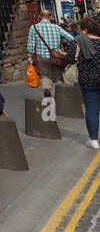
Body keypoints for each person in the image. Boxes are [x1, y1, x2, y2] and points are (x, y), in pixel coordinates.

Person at [63, 18, 100, 149]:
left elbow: (70, 58)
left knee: (92, 109)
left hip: (88, 80)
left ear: (85, 30)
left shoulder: (78, 41)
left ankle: (94, 140)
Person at [28, 11, 75, 91]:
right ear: (50, 17)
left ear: (40, 16)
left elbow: (31, 43)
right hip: (56, 56)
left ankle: (47, 92)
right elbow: (71, 39)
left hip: (42, 56)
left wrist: (30, 56)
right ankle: (61, 93)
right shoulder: (56, 27)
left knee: (46, 75)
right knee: (58, 76)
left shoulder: (34, 28)